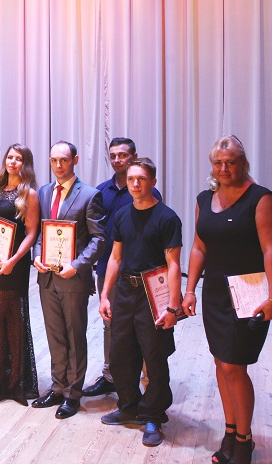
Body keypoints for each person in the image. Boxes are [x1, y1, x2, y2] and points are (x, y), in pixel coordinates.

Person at [182, 135, 272, 464]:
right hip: (215, 292)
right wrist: (190, 289)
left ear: (243, 163)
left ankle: (244, 439)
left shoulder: (260, 199)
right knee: (220, 363)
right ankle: (230, 430)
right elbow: (199, 247)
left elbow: (270, 251)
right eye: (218, 163)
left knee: (233, 366)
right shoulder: (204, 199)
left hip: (249, 293)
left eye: (231, 162)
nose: (224, 168)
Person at [99, 157, 182, 447]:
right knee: (121, 354)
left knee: (154, 356)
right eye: (132, 178)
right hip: (125, 291)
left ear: (153, 182)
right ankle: (128, 406)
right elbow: (115, 257)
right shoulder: (123, 215)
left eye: (142, 179)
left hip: (153, 295)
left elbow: (174, 265)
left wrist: (173, 307)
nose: (135, 184)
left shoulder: (167, 218)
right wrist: (105, 295)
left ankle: (153, 415)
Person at [32, 141, 106, 420]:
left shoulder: (90, 195)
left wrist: (76, 266)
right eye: (54, 160)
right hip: (47, 277)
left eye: (64, 160)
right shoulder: (43, 192)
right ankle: (57, 386)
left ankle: (72, 394)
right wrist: (37, 255)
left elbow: (99, 238)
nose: (58, 165)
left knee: (75, 335)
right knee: (55, 335)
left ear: (75, 160)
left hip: (73, 278)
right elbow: (40, 232)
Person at [84, 138, 161, 396]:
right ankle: (111, 376)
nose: (117, 159)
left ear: (134, 156)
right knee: (110, 324)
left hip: (141, 272)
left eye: (123, 155)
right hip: (108, 267)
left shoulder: (147, 191)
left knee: (144, 328)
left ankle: (147, 384)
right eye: (113, 155)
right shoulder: (100, 191)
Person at [0, 143, 39, 405]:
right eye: (10, 157)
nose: (12, 162)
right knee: (7, 318)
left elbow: (31, 233)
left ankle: (0, 379)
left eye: (18, 158)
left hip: (14, 264)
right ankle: (10, 380)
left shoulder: (29, 194)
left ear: (26, 163)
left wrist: (13, 261)